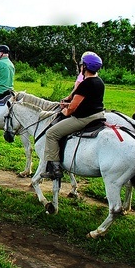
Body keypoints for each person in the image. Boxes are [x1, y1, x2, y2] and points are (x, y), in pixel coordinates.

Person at [40, 52, 105, 180]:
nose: (81, 67)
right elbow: (88, 101)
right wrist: (68, 103)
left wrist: (64, 110)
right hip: (99, 115)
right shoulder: (100, 82)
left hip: (84, 119)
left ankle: (55, 168)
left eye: (82, 65)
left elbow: (71, 109)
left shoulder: (85, 84)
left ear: (85, 67)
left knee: (51, 133)